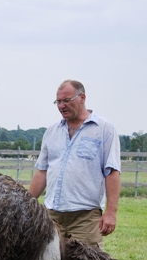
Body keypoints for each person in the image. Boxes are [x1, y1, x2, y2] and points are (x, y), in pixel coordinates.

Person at [29, 79, 121, 250]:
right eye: (58, 101)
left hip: (85, 216)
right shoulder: (52, 131)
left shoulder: (104, 129)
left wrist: (111, 212)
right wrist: (26, 202)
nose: (61, 106)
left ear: (82, 97)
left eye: (66, 100)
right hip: (52, 215)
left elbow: (112, 172)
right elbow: (42, 172)